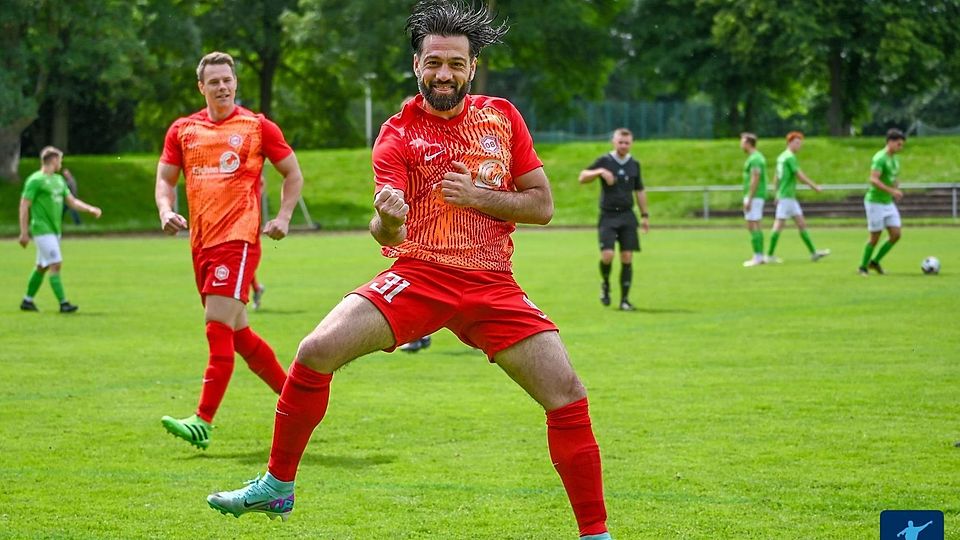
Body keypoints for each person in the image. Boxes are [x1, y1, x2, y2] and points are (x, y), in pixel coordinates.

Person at [206, 3, 613, 539]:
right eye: (433, 62)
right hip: (419, 275)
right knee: (314, 350)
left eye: (455, 63)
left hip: (492, 282)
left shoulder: (502, 117)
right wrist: (389, 220)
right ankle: (278, 486)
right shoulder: (397, 133)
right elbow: (386, 230)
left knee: (567, 393)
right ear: (417, 64)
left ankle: (596, 534)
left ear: (472, 66)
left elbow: (542, 206)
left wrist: (480, 196)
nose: (444, 74)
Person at [155, 51, 305, 450]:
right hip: (200, 243)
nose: (222, 86)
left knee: (216, 325)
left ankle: (202, 420)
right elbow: (165, 178)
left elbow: (292, 173)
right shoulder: (184, 130)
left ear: (235, 83)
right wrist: (166, 209)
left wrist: (285, 218)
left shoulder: (256, 127)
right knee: (241, 337)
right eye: (214, 81)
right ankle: (298, 399)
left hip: (237, 240)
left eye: (228, 79)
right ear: (201, 87)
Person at [18, 146, 102, 313]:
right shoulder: (35, 180)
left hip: (55, 230)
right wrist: (24, 232)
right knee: (55, 264)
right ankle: (64, 303)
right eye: (60, 160)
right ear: (53, 160)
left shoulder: (58, 180)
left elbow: (71, 201)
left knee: (42, 267)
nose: (61, 163)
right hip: (42, 229)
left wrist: (90, 208)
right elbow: (24, 205)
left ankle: (27, 301)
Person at [578, 127, 649, 311]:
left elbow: (639, 191)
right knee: (608, 255)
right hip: (608, 215)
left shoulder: (634, 164)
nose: (624, 145)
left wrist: (645, 215)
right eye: (620, 142)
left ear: (631, 143)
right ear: (614, 141)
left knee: (627, 256)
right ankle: (606, 284)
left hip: (627, 215)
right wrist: (599, 172)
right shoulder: (605, 161)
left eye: (627, 142)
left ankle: (625, 300)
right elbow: (582, 177)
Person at [766, 131, 830, 263]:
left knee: (801, 224)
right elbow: (799, 176)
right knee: (778, 225)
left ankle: (813, 253)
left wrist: (776, 191)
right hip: (787, 197)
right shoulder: (790, 157)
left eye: (800, 143)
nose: (799, 146)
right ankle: (769, 255)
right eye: (797, 143)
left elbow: (776, 176)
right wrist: (814, 187)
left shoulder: (781, 157)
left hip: (788, 197)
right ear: (789, 143)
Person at [859, 128, 906, 276]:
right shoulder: (880, 157)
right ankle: (862, 267)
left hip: (887, 202)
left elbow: (894, 177)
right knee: (875, 237)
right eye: (898, 144)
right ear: (890, 142)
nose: (900, 147)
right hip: (875, 202)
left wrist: (896, 187)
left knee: (896, 234)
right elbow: (873, 179)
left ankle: (875, 262)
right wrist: (892, 191)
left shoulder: (895, 159)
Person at [740, 132, 767, 267]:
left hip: (754, 195)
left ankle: (757, 256)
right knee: (756, 224)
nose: (741, 145)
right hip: (757, 195)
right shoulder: (757, 157)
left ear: (748, 143)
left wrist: (749, 198)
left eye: (742, 142)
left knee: (752, 224)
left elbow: (755, 177)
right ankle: (760, 255)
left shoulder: (755, 159)